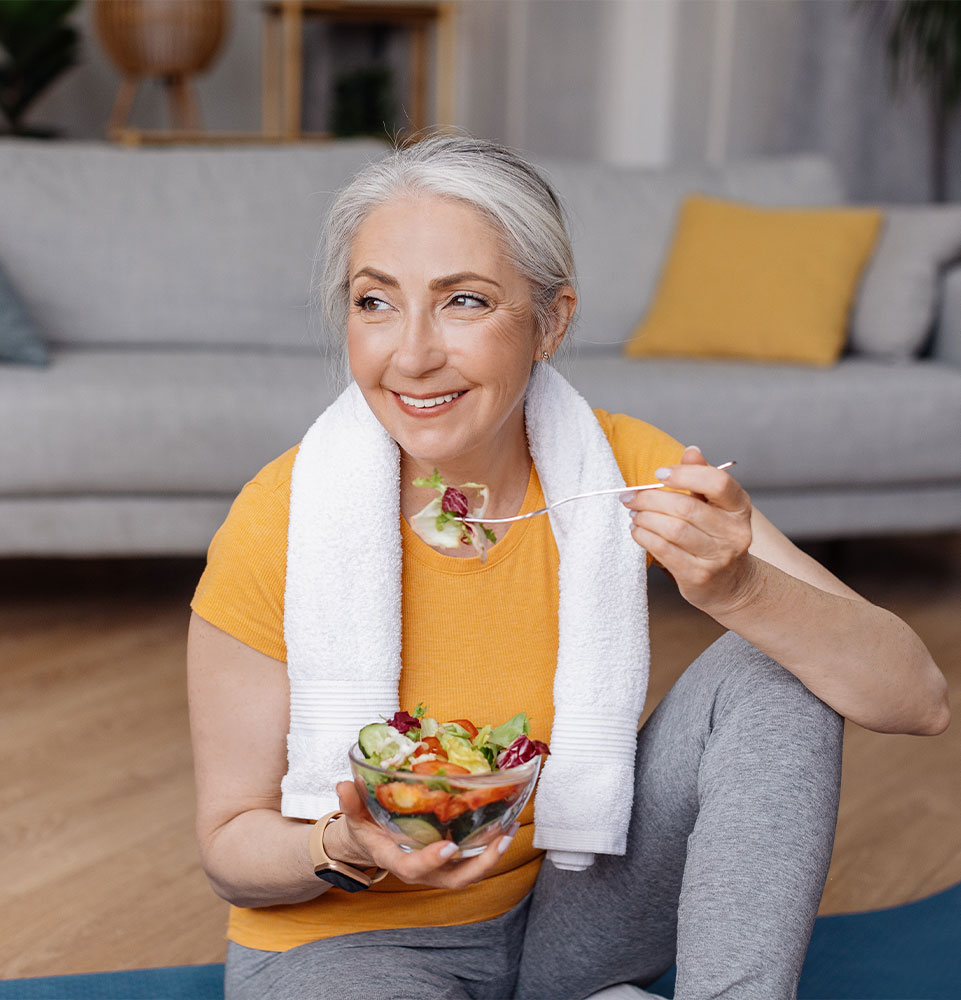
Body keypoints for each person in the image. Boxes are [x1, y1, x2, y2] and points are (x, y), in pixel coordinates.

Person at [187, 134, 949, 1000]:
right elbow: (229, 850)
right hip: (347, 950)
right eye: (375, 302)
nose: (411, 354)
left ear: (551, 322)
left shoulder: (624, 468)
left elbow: (916, 699)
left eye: (463, 301)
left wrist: (742, 589)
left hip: (568, 917)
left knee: (772, 663)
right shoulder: (280, 517)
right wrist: (346, 844)